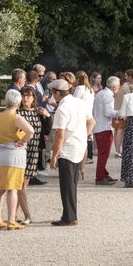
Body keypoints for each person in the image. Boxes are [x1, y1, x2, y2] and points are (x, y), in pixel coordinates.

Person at [0, 90, 34, 231]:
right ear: (18, 102)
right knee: (13, 189)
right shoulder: (16, 118)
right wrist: (22, 141)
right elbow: (30, 131)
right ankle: (11, 220)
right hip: (14, 156)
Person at [49, 79, 95, 226]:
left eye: (53, 93)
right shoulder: (80, 103)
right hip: (79, 146)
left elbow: (60, 135)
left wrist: (54, 156)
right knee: (72, 183)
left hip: (68, 149)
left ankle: (69, 216)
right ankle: (70, 214)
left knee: (67, 184)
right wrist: (83, 134)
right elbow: (91, 121)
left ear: (57, 93)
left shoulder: (62, 109)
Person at [16, 85, 42, 225]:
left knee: (23, 185)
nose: (25, 98)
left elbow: (47, 131)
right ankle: (23, 215)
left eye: (28, 96)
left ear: (33, 98)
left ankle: (15, 214)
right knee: (21, 185)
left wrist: (48, 116)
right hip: (21, 151)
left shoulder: (38, 112)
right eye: (23, 95)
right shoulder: (17, 112)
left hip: (33, 152)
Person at [92, 76, 120, 185]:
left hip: (99, 126)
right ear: (114, 87)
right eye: (118, 86)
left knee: (103, 154)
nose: (118, 88)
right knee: (104, 154)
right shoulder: (108, 95)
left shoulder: (101, 93)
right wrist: (119, 112)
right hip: (104, 127)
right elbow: (108, 112)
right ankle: (100, 177)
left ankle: (104, 174)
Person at [74, 70, 95, 168]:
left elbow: (74, 102)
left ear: (77, 79)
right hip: (89, 117)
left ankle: (77, 165)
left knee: (79, 142)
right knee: (85, 142)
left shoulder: (79, 88)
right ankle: (82, 166)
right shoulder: (90, 89)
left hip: (80, 118)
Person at [113, 69, 133, 157]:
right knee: (120, 130)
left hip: (115, 109)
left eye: (126, 76)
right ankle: (118, 151)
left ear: (130, 76)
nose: (125, 77)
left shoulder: (122, 86)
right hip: (122, 110)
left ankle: (117, 150)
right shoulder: (129, 86)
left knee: (117, 130)